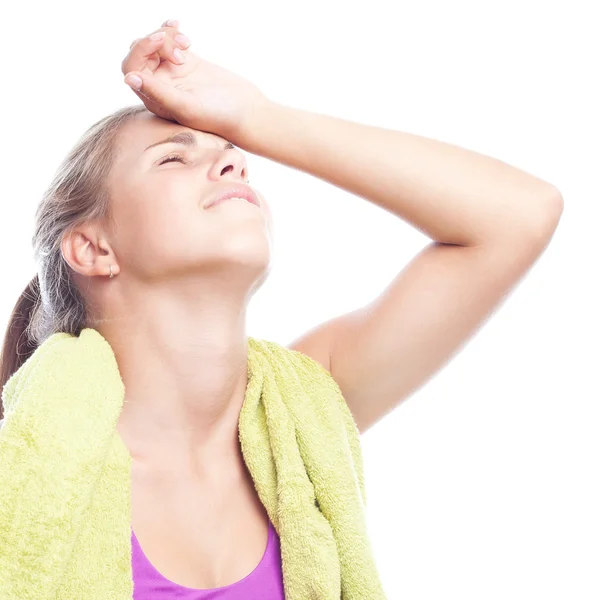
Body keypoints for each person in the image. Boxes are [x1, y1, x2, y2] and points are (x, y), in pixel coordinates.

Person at [0, 17, 563, 599]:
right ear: (94, 248)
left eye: (235, 153)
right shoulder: (21, 479)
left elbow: (519, 215)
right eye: (173, 159)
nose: (236, 163)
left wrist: (257, 117)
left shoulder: (299, 419)